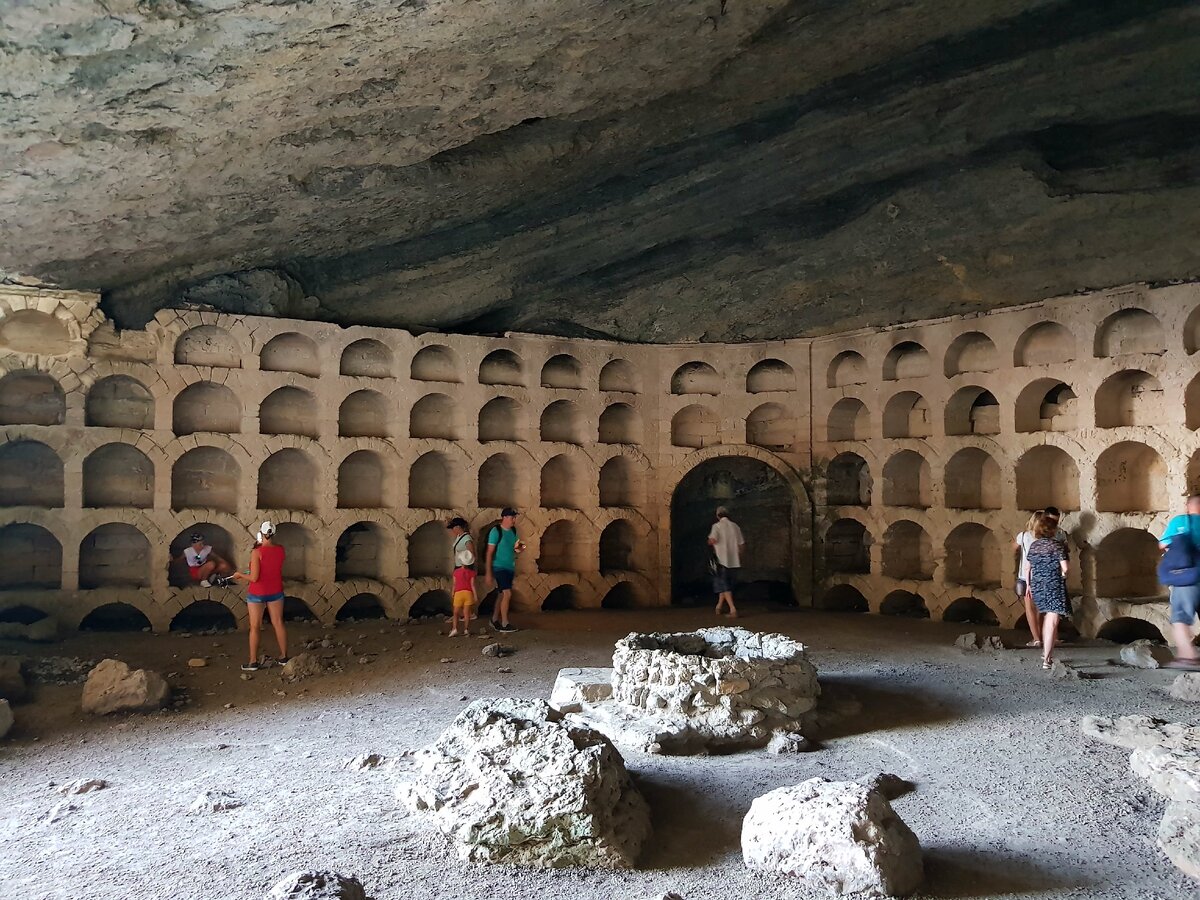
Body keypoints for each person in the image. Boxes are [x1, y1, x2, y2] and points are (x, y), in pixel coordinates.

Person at [229, 522, 287, 672]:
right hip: (275, 591)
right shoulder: (281, 549)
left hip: (257, 592)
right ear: (273, 534)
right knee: (278, 623)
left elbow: (254, 578)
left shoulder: (257, 552)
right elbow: (270, 568)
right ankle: (283, 657)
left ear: (260, 534)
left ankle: (253, 661)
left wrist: (239, 575)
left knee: (255, 627)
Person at [1022, 512, 1070, 669]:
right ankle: (1046, 659)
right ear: (1053, 531)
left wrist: (1029, 586)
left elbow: (1028, 568)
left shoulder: (1034, 546)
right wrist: (1063, 575)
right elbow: (1065, 568)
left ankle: (1045, 651)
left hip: (1037, 586)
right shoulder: (1057, 546)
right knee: (1051, 621)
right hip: (1053, 585)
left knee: (1048, 619)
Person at [1013, 507, 1066, 647]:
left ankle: (1036, 639)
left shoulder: (1024, 536)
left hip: (1026, 577)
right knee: (1046, 608)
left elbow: (1014, 549)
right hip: (1048, 576)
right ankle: (1050, 637)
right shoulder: (1055, 537)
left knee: (1030, 608)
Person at [1159, 495, 1200, 670]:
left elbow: (1163, 544)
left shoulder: (1181, 521)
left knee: (1180, 618)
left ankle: (1188, 656)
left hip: (1188, 577)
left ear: (1188, 505)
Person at [485, 508, 524, 633]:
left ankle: (494, 619)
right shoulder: (495, 531)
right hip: (499, 567)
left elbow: (516, 546)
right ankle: (505, 623)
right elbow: (489, 553)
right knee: (507, 594)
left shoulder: (513, 531)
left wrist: (521, 547)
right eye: (512, 517)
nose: (514, 520)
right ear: (505, 517)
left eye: (514, 517)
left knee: (502, 594)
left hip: (509, 567)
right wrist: (488, 573)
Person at [707, 506, 745, 618]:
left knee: (724, 584)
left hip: (721, 560)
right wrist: (738, 556)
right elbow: (742, 544)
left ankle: (733, 609)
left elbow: (713, 540)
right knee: (725, 583)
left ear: (718, 516)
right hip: (734, 561)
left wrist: (709, 541)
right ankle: (718, 607)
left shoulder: (717, 526)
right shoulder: (735, 527)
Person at [446, 517, 476, 638]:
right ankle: (460, 615)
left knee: (462, 590)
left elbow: (471, 554)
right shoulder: (459, 537)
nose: (452, 531)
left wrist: (466, 567)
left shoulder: (467, 539)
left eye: (453, 528)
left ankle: (467, 613)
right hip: (459, 566)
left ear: (458, 528)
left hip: (464, 568)